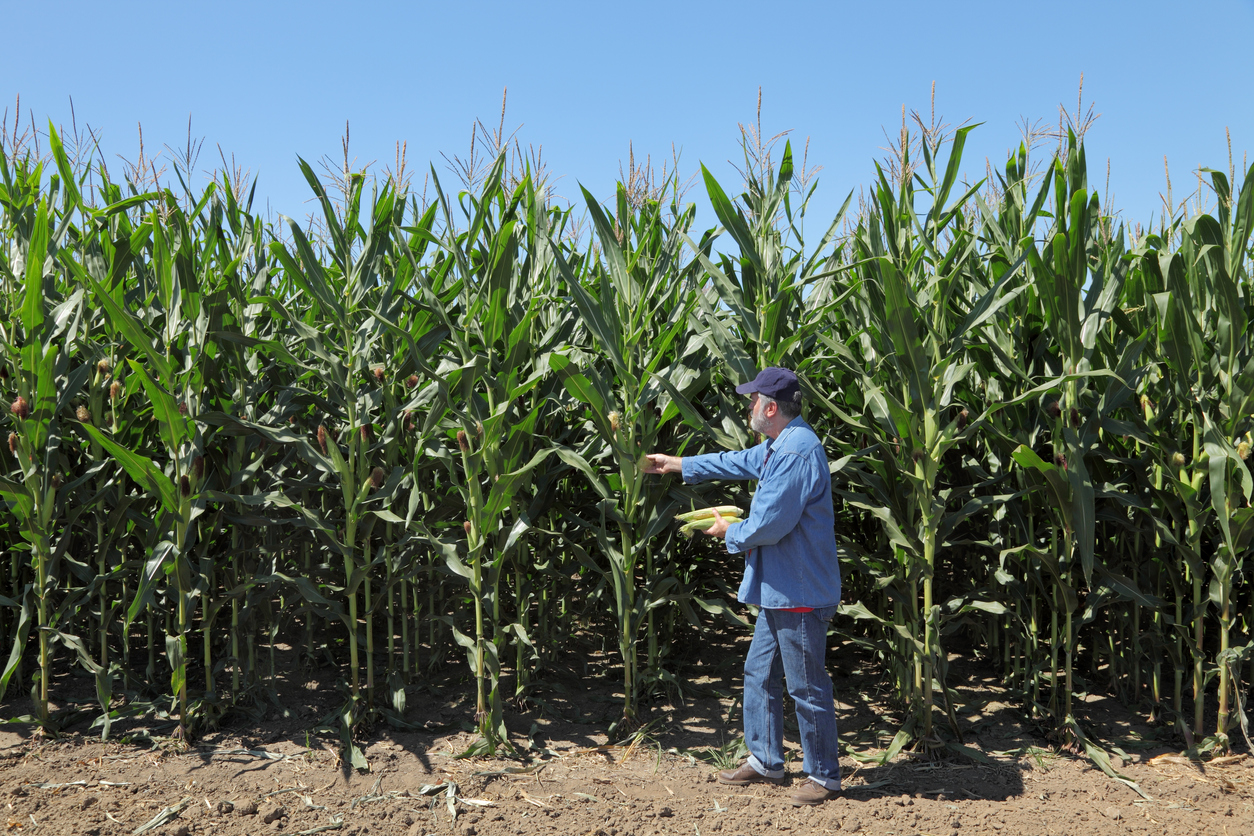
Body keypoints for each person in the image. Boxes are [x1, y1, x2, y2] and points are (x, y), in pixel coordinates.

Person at [643, 367, 843, 807]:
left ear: (770, 408)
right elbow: (739, 462)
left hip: (800, 593)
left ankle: (824, 776)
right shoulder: (779, 444)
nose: (748, 406)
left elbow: (769, 525)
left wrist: (727, 532)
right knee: (759, 672)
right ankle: (766, 759)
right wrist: (677, 465)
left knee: (806, 686)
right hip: (779, 589)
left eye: (752, 400)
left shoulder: (796, 453)